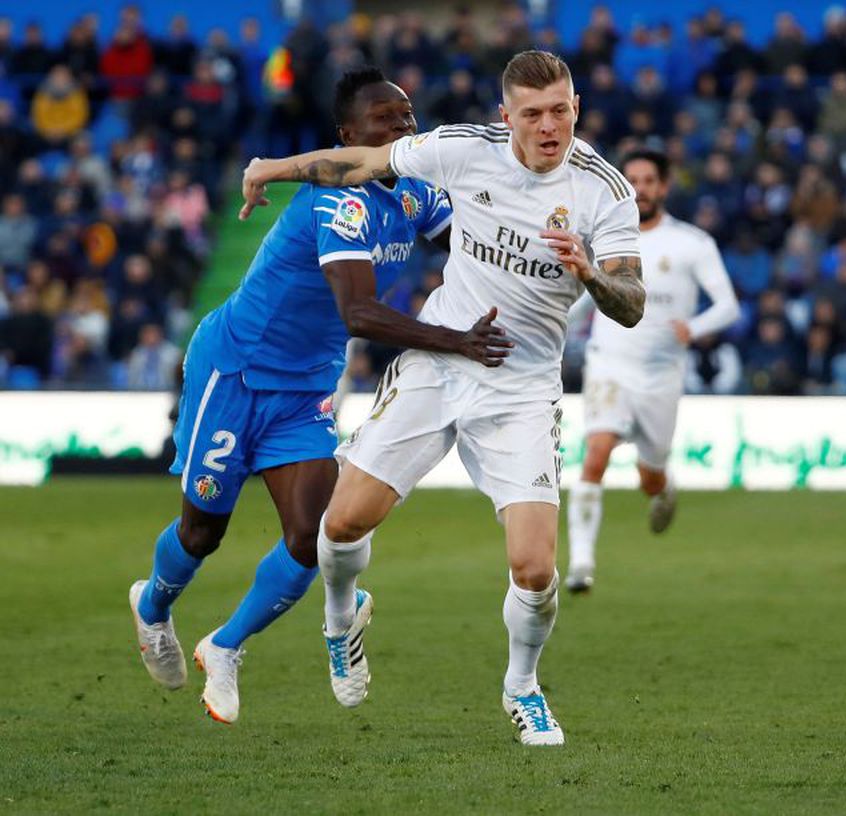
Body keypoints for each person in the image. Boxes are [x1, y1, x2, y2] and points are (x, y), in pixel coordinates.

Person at [239, 50, 644, 746]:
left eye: (561, 110)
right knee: (338, 528)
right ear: (505, 116)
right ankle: (342, 619)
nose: (549, 126)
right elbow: (360, 164)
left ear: (575, 106)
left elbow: (632, 302)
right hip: (437, 362)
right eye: (533, 113)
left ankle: (523, 685)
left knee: (536, 567)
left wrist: (590, 274)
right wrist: (272, 169)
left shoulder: (604, 191)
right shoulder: (463, 149)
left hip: (520, 388)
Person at [128, 68, 511, 724]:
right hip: (237, 371)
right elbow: (360, 313)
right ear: (348, 136)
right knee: (202, 532)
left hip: (306, 386)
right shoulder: (339, 202)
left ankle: (225, 646)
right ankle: (152, 607)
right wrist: (456, 339)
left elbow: (472, 243)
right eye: (385, 121)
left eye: (408, 117)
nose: (402, 129)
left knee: (313, 534)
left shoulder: (416, 192)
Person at [566, 149, 738, 593]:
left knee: (649, 475)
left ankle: (662, 488)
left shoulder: (692, 243)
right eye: (633, 180)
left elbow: (728, 306)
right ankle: (581, 564)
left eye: (648, 181)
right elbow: (586, 298)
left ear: (663, 187)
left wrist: (693, 327)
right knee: (596, 454)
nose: (640, 188)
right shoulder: (607, 238)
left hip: (662, 375)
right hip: (610, 364)